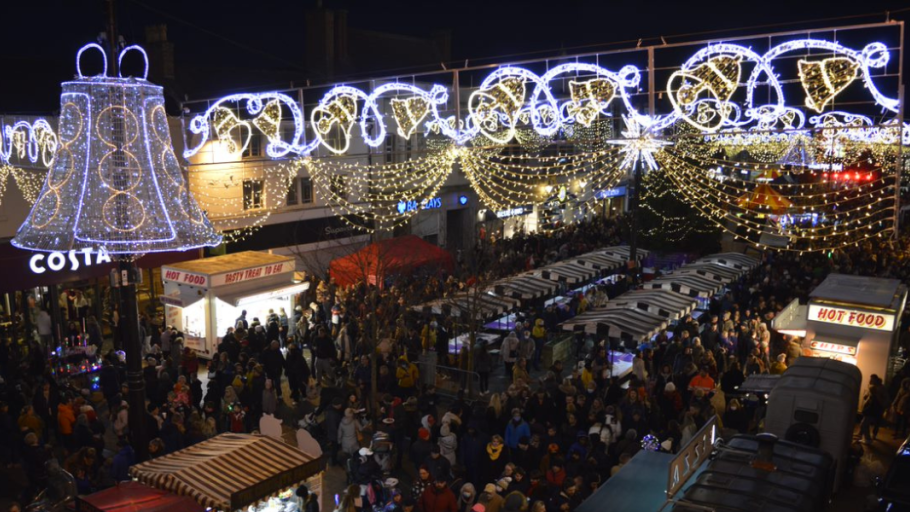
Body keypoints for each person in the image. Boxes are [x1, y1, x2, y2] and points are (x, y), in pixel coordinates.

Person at [859, 374, 889, 444]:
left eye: (871, 379)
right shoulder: (874, 387)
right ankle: (865, 437)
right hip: (872, 409)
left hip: (874, 409)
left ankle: (869, 438)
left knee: (866, 424)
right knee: (864, 423)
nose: (870, 380)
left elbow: (882, 399)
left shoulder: (879, 388)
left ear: (875, 380)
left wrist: (875, 397)